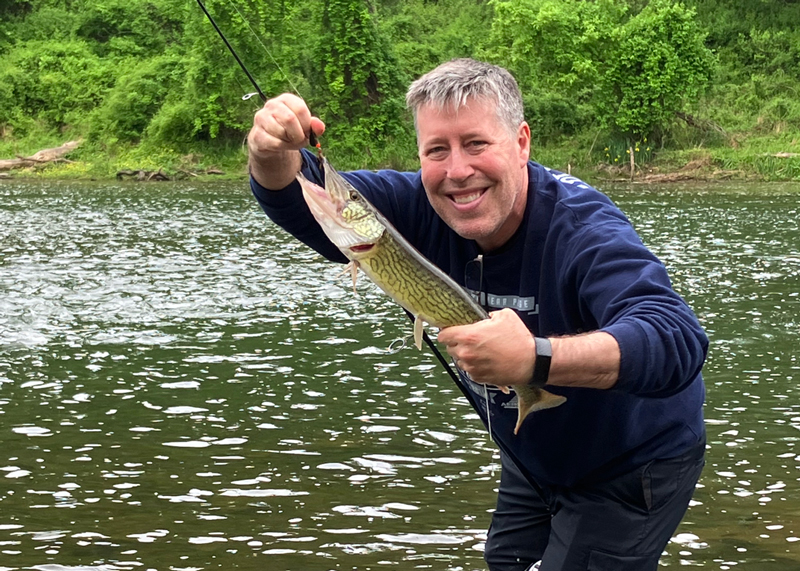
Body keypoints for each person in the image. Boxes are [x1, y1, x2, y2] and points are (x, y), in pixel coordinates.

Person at [247, 58, 707, 571]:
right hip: (531, 445)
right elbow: (296, 191)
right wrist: (269, 150)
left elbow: (676, 339)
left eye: (477, 144)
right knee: (505, 563)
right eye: (436, 150)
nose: (457, 170)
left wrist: (535, 358)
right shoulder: (414, 205)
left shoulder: (584, 230)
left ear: (522, 143)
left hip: (631, 462)